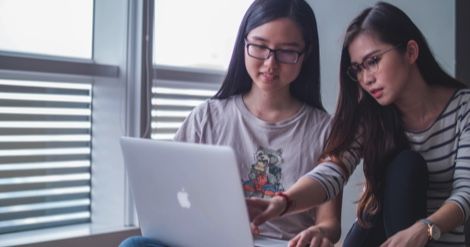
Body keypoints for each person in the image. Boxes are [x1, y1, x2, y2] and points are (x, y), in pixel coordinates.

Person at [119, 0, 342, 247]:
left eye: (287, 51)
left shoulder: (325, 130)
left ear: (306, 53)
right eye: (259, 46)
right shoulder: (207, 117)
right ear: (243, 44)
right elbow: (171, 195)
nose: (270, 63)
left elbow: (330, 223)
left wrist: (320, 233)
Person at [248, 1, 470, 247]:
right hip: (384, 237)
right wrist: (283, 201)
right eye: (357, 69)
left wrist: (425, 229)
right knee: (403, 165)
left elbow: (466, 193)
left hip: (437, 239)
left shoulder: (464, 109)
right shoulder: (371, 115)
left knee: (408, 165)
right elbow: (332, 171)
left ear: (410, 52)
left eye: (373, 61)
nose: (366, 79)